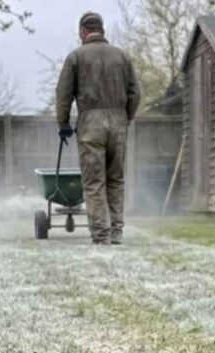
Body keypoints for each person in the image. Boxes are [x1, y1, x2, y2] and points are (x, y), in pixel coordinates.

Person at [56, 12, 140, 245]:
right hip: (118, 122)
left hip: (91, 124)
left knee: (94, 182)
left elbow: (63, 94)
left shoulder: (76, 57)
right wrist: (126, 117)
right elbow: (135, 93)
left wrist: (63, 124)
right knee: (116, 179)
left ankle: (101, 234)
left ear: (83, 31)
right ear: (102, 30)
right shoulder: (122, 57)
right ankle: (116, 232)